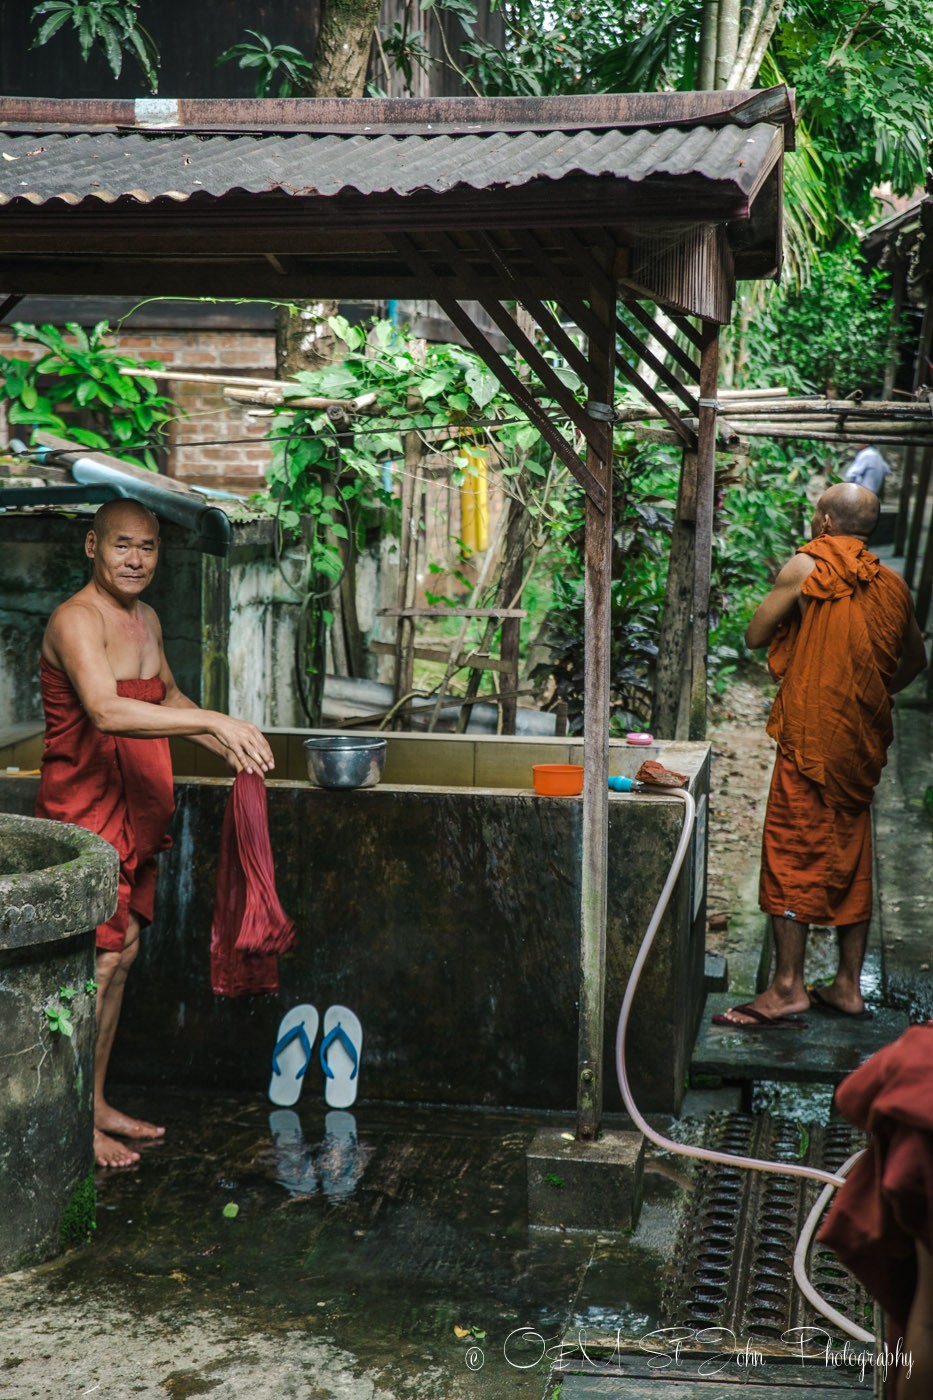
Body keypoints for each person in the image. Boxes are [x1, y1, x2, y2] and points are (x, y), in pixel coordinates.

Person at [36, 498, 275, 1168]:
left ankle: (97, 1102)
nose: (135, 559)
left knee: (125, 953)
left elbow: (162, 693)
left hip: (137, 813)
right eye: (121, 546)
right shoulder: (75, 620)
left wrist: (219, 731)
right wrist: (216, 724)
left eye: (146, 547)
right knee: (96, 962)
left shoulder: (146, 619)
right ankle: (68, 1117)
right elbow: (107, 710)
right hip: (84, 815)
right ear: (93, 546)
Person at [713, 482, 926, 1030]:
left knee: (792, 846)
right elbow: (914, 661)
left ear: (827, 523)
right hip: (857, 739)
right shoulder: (894, 586)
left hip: (813, 738)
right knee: (851, 852)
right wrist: (866, 689)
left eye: (814, 513)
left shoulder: (808, 567)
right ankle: (848, 987)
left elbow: (756, 634)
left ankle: (786, 988)